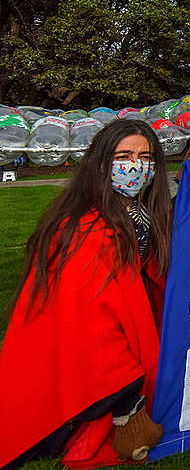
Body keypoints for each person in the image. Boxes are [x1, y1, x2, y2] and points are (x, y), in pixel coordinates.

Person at [0, 121, 172, 468]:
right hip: (83, 331)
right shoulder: (82, 225)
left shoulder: (142, 210)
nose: (136, 166)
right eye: (124, 156)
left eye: (146, 156)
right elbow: (84, 306)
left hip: (125, 310)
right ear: (102, 162)